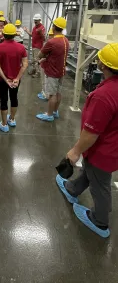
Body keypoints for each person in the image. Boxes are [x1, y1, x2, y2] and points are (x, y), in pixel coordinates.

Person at [56, 43, 118, 239]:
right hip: (112, 146)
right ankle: (73, 189)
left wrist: (75, 151)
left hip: (104, 150)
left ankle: (99, 221)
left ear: (103, 66)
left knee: (100, 184)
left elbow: (92, 132)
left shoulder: (104, 95)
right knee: (91, 171)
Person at [0, 24, 28, 132]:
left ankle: (4, 124)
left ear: (3, 34)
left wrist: (5, 79)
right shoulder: (21, 47)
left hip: (2, 80)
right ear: (14, 34)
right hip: (15, 80)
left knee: (3, 100)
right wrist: (17, 78)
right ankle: (12, 119)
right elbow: (25, 64)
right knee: (14, 98)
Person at [36, 17, 69, 122]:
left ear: (54, 27)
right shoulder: (66, 40)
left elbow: (40, 55)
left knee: (52, 95)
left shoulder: (52, 42)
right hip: (61, 71)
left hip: (52, 72)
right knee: (58, 93)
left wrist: (43, 58)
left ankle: (49, 114)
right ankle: (55, 111)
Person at [24, 14, 45, 78]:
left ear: (40, 20)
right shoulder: (35, 27)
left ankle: (37, 73)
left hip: (38, 47)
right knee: (34, 59)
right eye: (34, 20)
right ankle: (34, 70)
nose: (35, 21)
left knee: (36, 60)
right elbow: (32, 35)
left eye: (36, 20)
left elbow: (44, 38)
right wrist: (26, 30)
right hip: (34, 46)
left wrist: (40, 32)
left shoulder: (42, 27)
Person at [37, 28, 54, 101]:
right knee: (43, 80)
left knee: (46, 81)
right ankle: (44, 92)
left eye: (51, 35)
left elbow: (46, 57)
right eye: (49, 35)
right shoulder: (48, 43)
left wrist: (40, 60)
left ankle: (46, 95)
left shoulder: (51, 44)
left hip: (46, 66)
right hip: (44, 65)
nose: (49, 36)